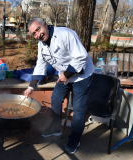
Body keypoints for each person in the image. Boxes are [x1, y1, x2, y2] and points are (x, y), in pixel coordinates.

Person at [24, 18, 95, 154]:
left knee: (79, 110)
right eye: (34, 34)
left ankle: (75, 140)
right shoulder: (42, 44)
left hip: (82, 75)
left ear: (45, 24)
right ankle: (55, 128)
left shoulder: (66, 34)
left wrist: (67, 75)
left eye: (38, 29)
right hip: (65, 75)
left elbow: (81, 57)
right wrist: (31, 87)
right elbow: (41, 65)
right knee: (56, 99)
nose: (38, 35)